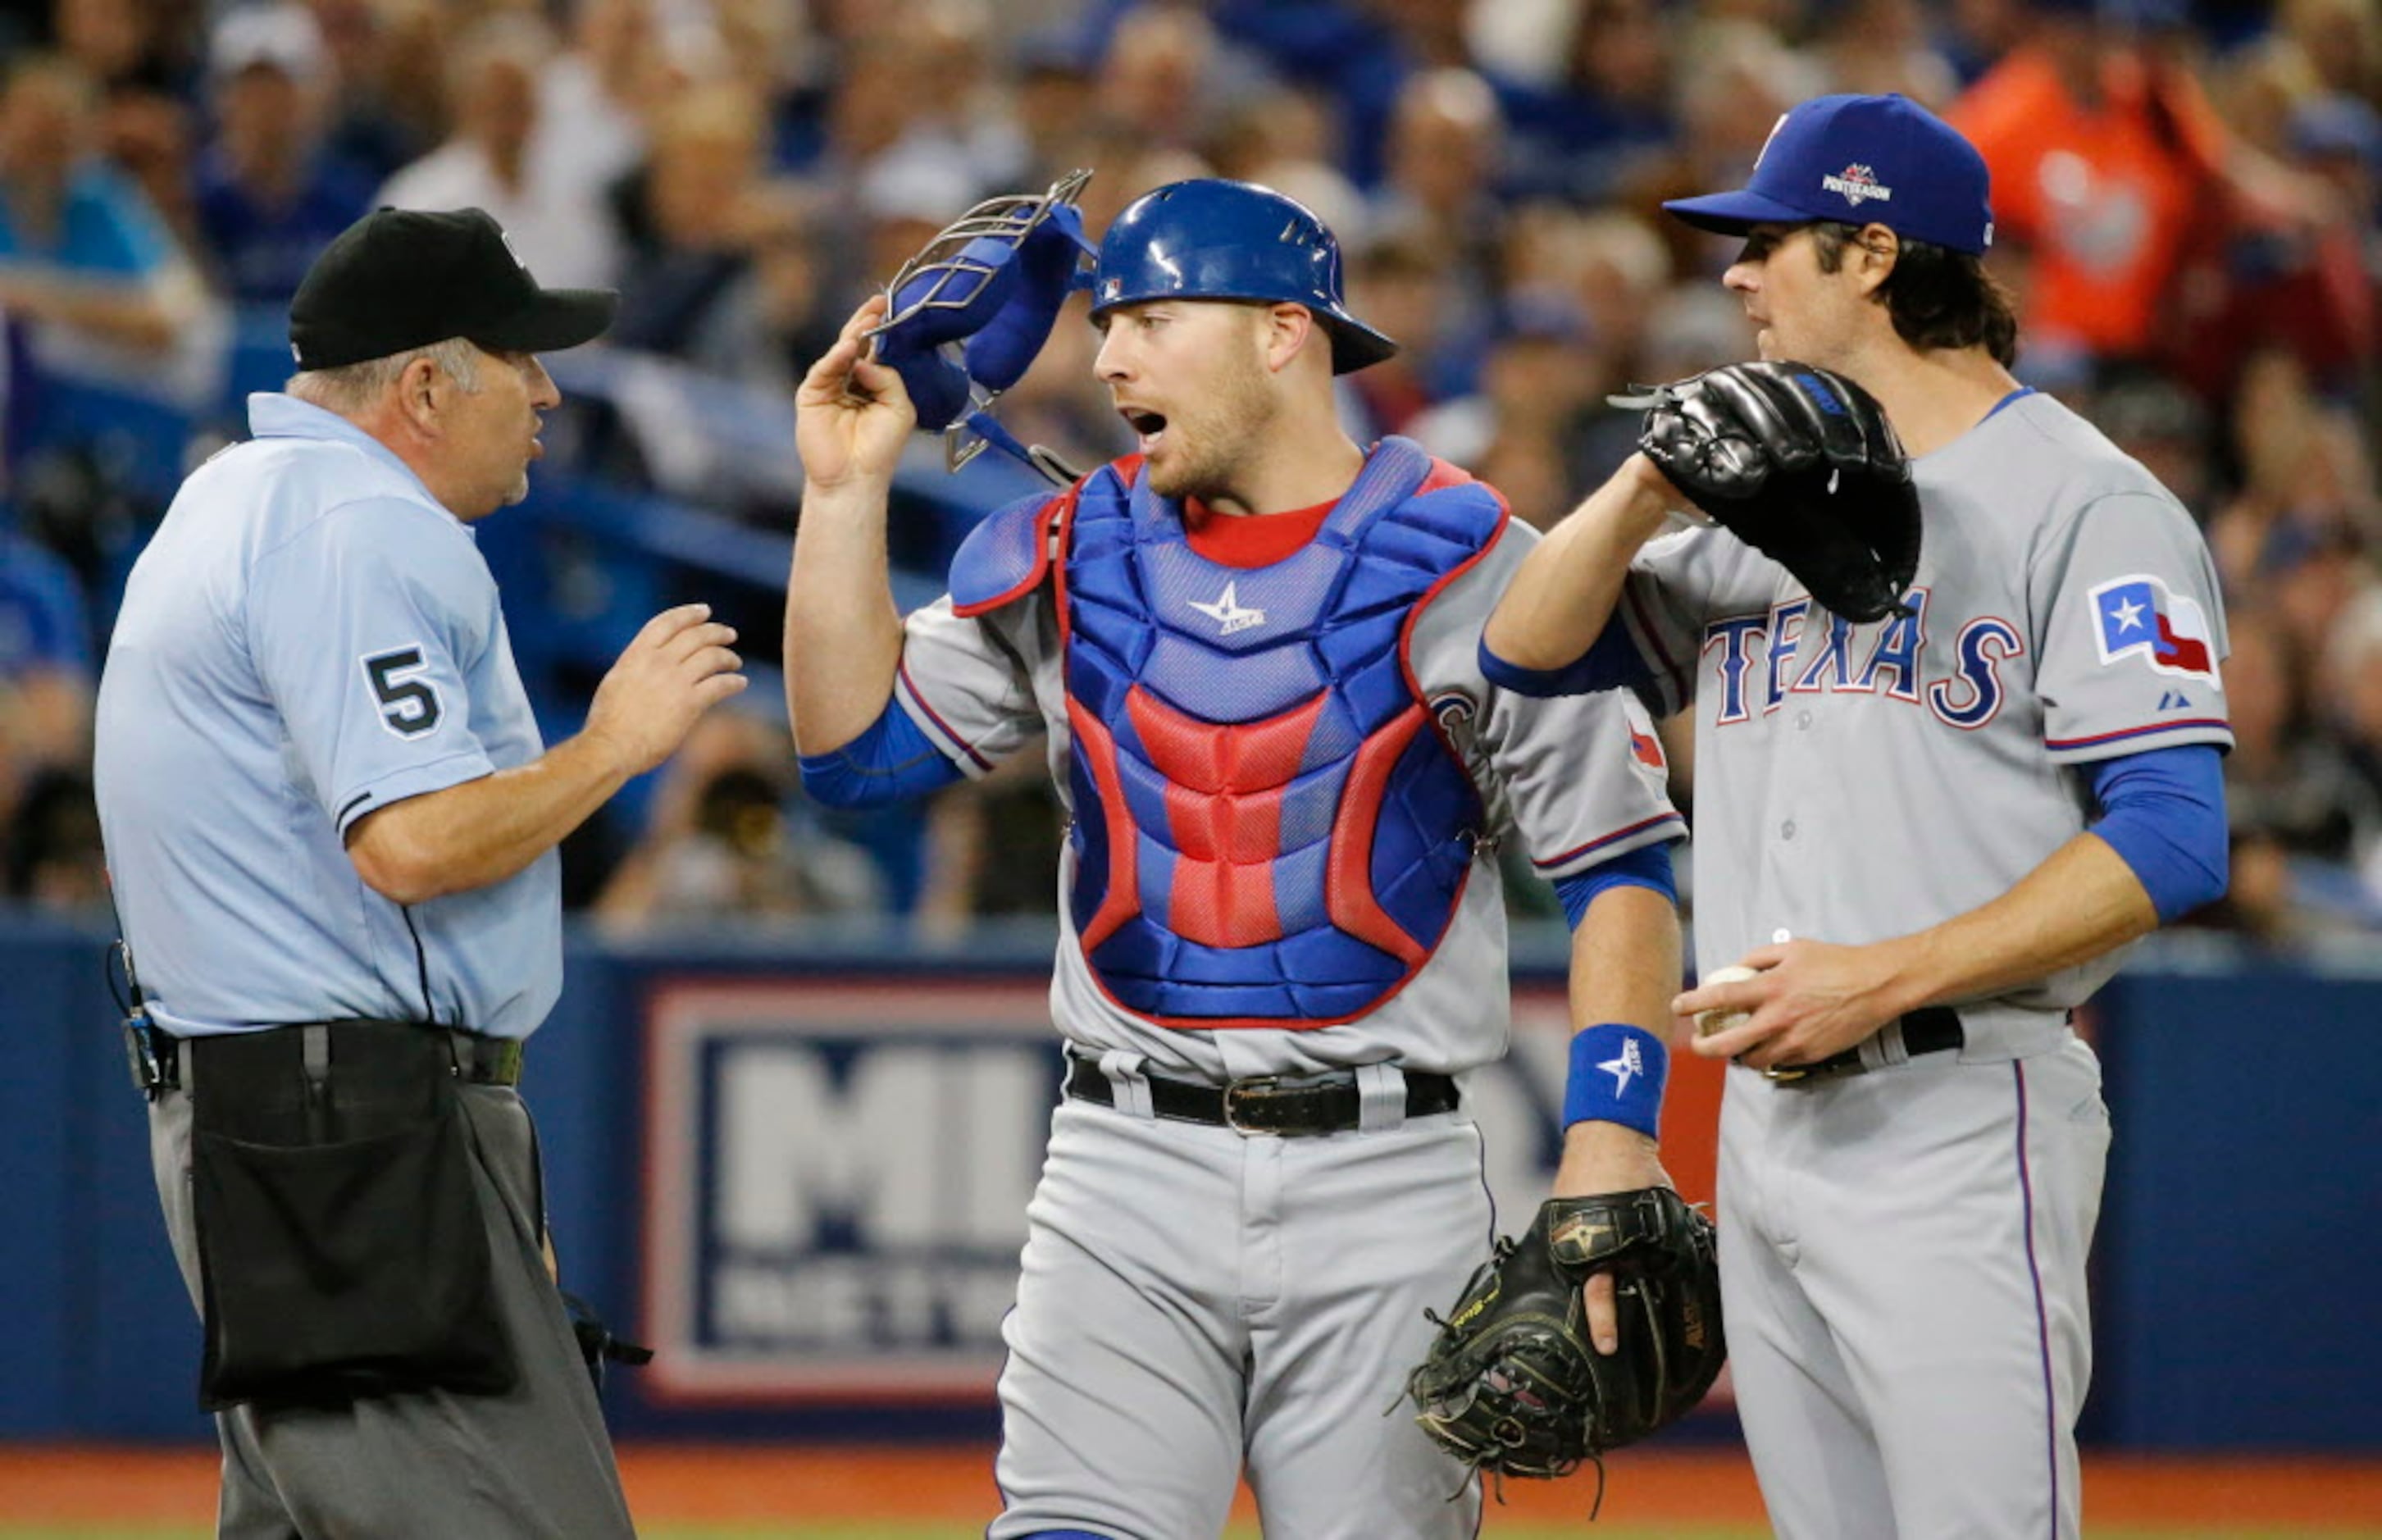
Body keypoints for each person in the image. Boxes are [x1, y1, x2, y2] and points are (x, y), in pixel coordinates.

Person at [786, 178, 1693, 1538]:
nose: (1105, 359)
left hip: (1387, 1180)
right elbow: (852, 754)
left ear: (1282, 333)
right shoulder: (1073, 549)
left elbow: (1620, 868)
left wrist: (1611, 1143)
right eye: (1105, 323)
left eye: (1149, 317)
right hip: (1119, 1161)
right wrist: (843, 493)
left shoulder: (1478, 562)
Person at [1482, 93, 2232, 1539]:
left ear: (1874, 251)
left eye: (1768, 242)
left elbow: (2169, 833)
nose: (1734, 276)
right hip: (1767, 1128)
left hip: (1958, 1109)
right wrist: (1646, 485)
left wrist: (1879, 975)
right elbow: (1524, 648)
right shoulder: (1775, 500)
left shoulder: (2083, 502)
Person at [92, 205, 745, 1538]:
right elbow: (412, 842)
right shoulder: (351, 525)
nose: (550, 390)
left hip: (307, 1118)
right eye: (520, 358)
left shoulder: (240, 494)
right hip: (350, 1128)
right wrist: (615, 745)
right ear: (427, 385)